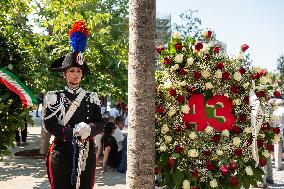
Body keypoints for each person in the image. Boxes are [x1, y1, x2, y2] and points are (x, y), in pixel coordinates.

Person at [44, 20, 104, 189]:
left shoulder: (92, 97)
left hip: (85, 151)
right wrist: (73, 132)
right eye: (72, 70)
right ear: (65, 74)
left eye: (79, 71)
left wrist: (89, 129)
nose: (76, 74)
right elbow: (50, 125)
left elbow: (100, 123)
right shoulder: (54, 96)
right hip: (61, 150)